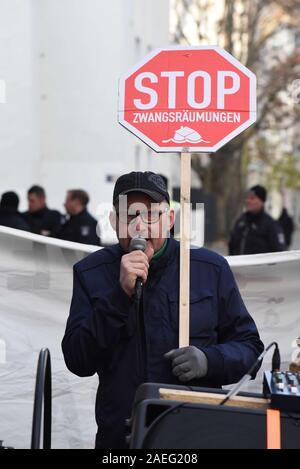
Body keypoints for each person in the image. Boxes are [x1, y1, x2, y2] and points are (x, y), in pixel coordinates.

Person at [62, 171, 264, 449]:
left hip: (195, 434)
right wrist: (119, 296)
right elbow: (77, 360)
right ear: (113, 221)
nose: (139, 227)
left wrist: (210, 360)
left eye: (150, 215)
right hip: (121, 438)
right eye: (129, 216)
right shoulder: (91, 273)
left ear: (169, 220)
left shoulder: (209, 269)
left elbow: (250, 348)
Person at [229, 185, 286, 255]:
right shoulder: (240, 221)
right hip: (239, 265)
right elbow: (232, 246)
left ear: (262, 201)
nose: (248, 201)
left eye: (252, 198)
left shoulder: (271, 224)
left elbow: (279, 251)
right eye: (247, 198)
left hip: (261, 265)